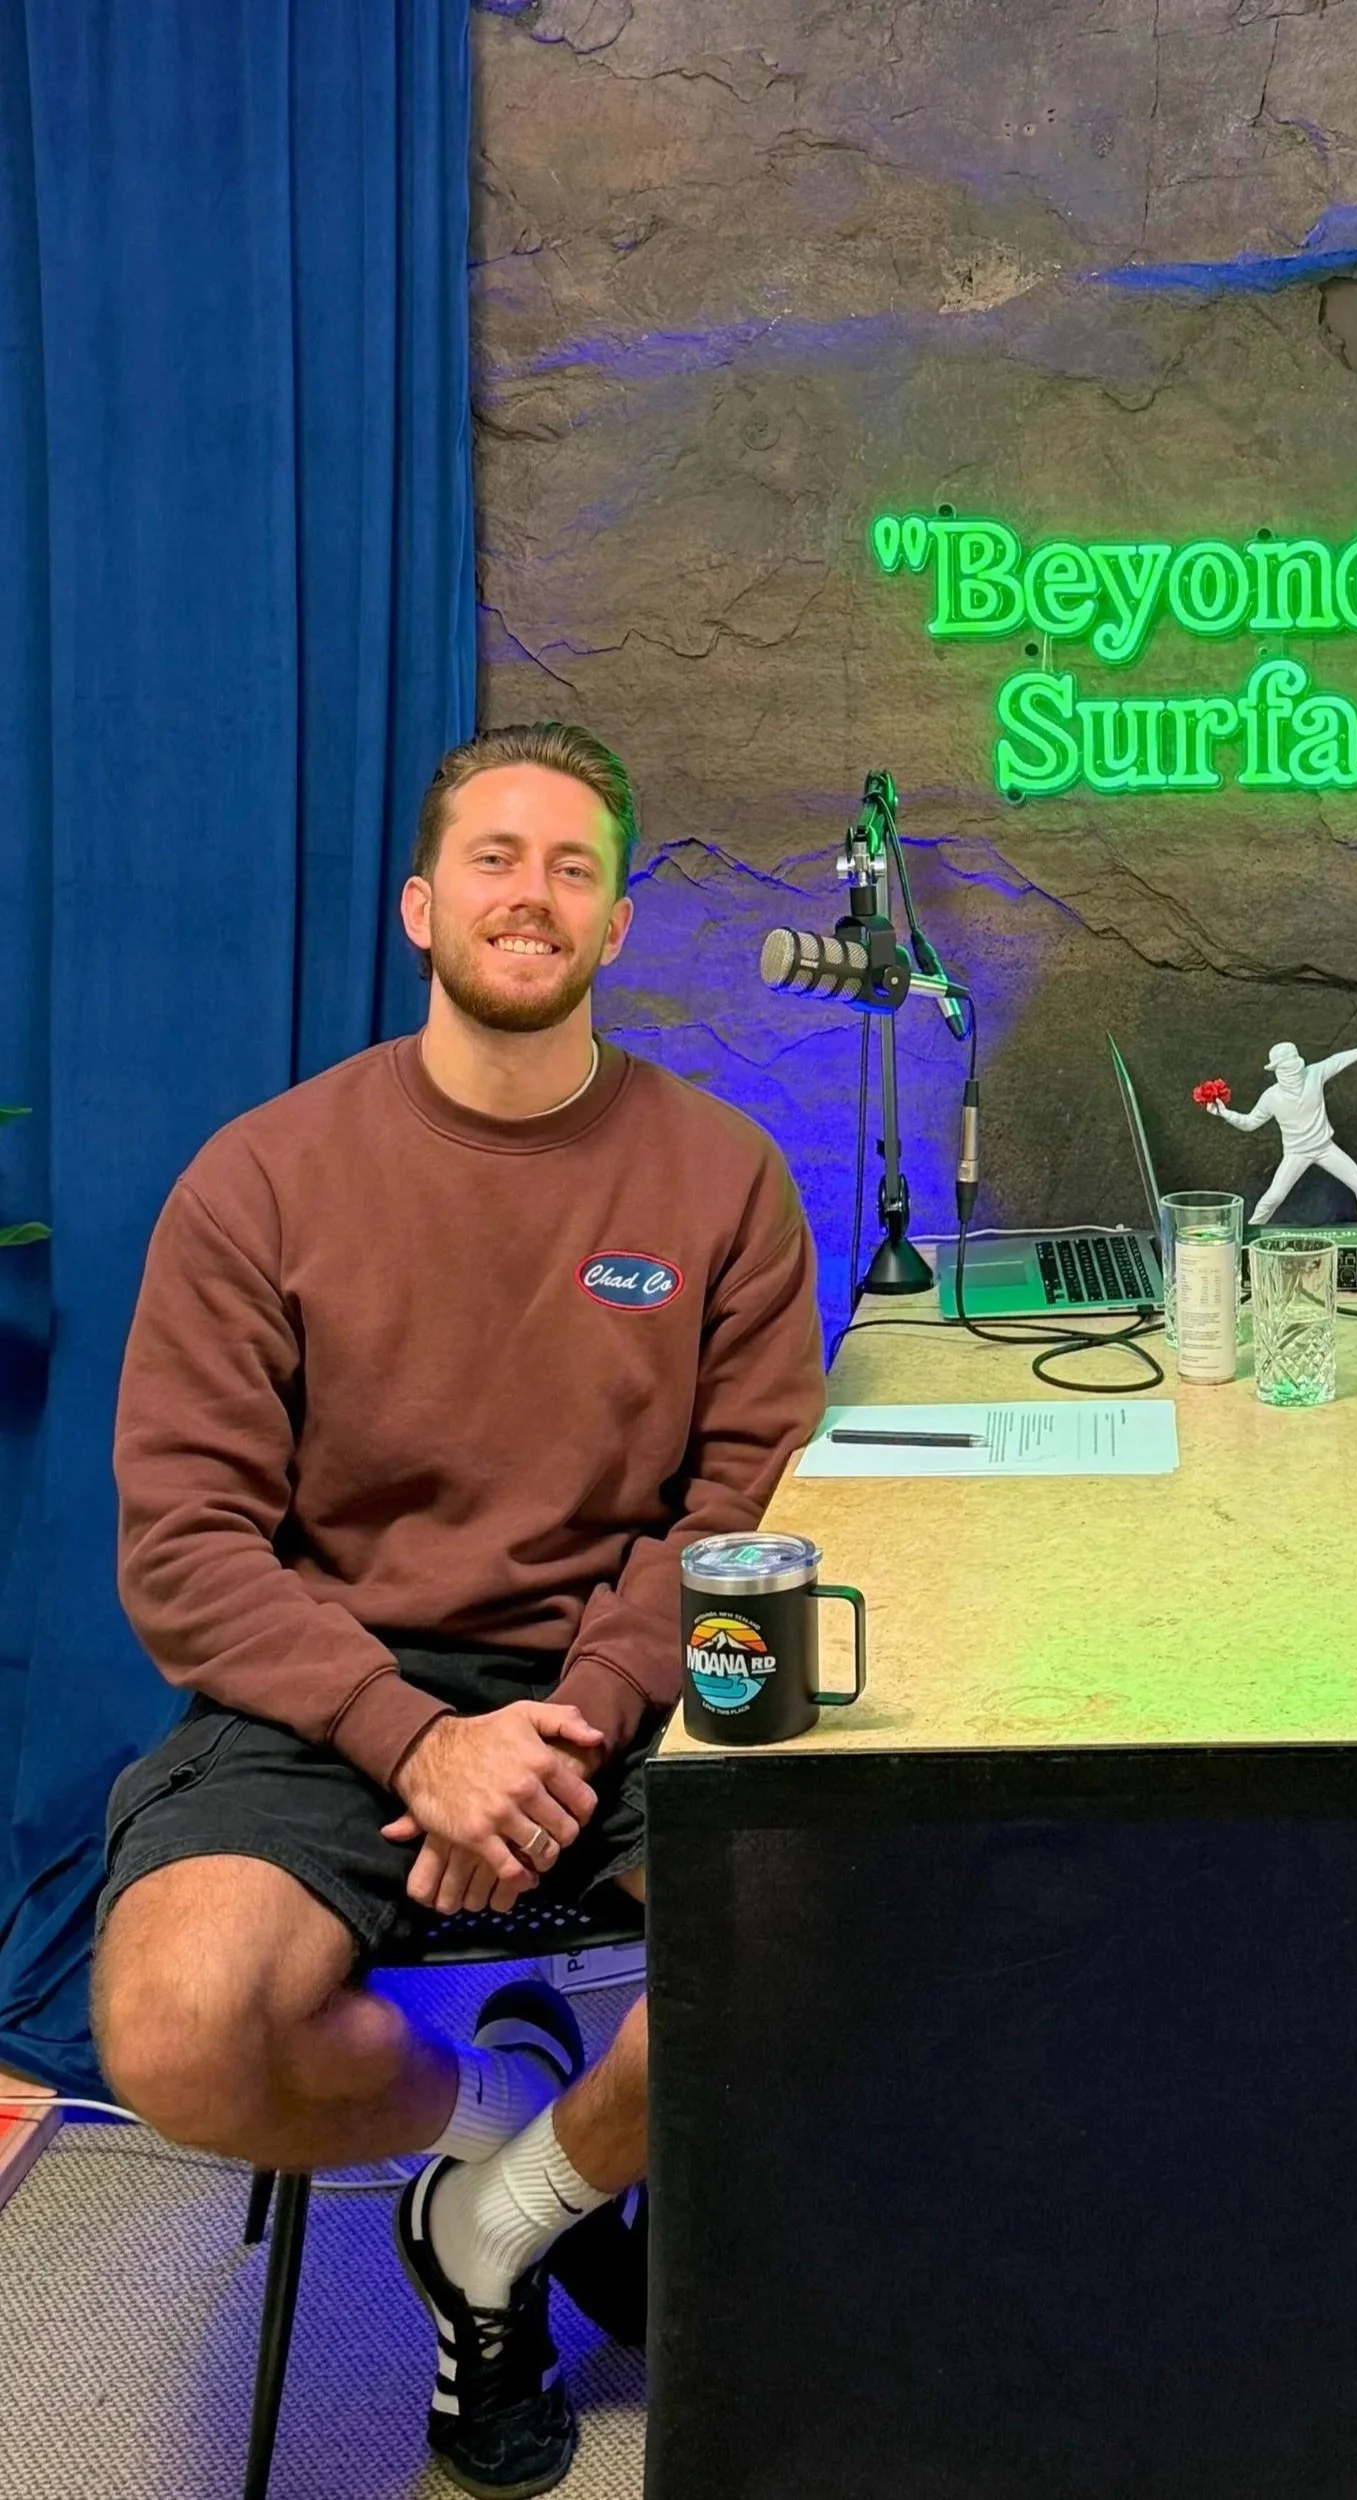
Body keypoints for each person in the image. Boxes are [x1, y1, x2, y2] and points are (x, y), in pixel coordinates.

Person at [91, 722, 825, 2500]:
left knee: (835, 1923)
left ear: (619, 927)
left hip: (611, 1684)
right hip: (338, 1688)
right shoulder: (260, 1178)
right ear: (422, 905)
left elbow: (739, 1507)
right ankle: (506, 2124)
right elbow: (185, 1544)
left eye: (576, 866)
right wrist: (417, 1741)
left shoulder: (721, 1176)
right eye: (496, 858)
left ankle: (501, 2232)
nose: (534, 893)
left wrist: (564, 1728)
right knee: (180, 2024)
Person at [1206, 1036, 1357, 1222]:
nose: (1292, 1071)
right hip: (1296, 1153)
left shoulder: (1314, 1074)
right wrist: (1225, 1113)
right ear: (1277, 1070)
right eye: (1286, 1067)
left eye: (1293, 1065)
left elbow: (1339, 1060)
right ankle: (1249, 1233)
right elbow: (1250, 1123)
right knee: (1273, 1198)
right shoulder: (1271, 1097)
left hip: (1325, 1148)